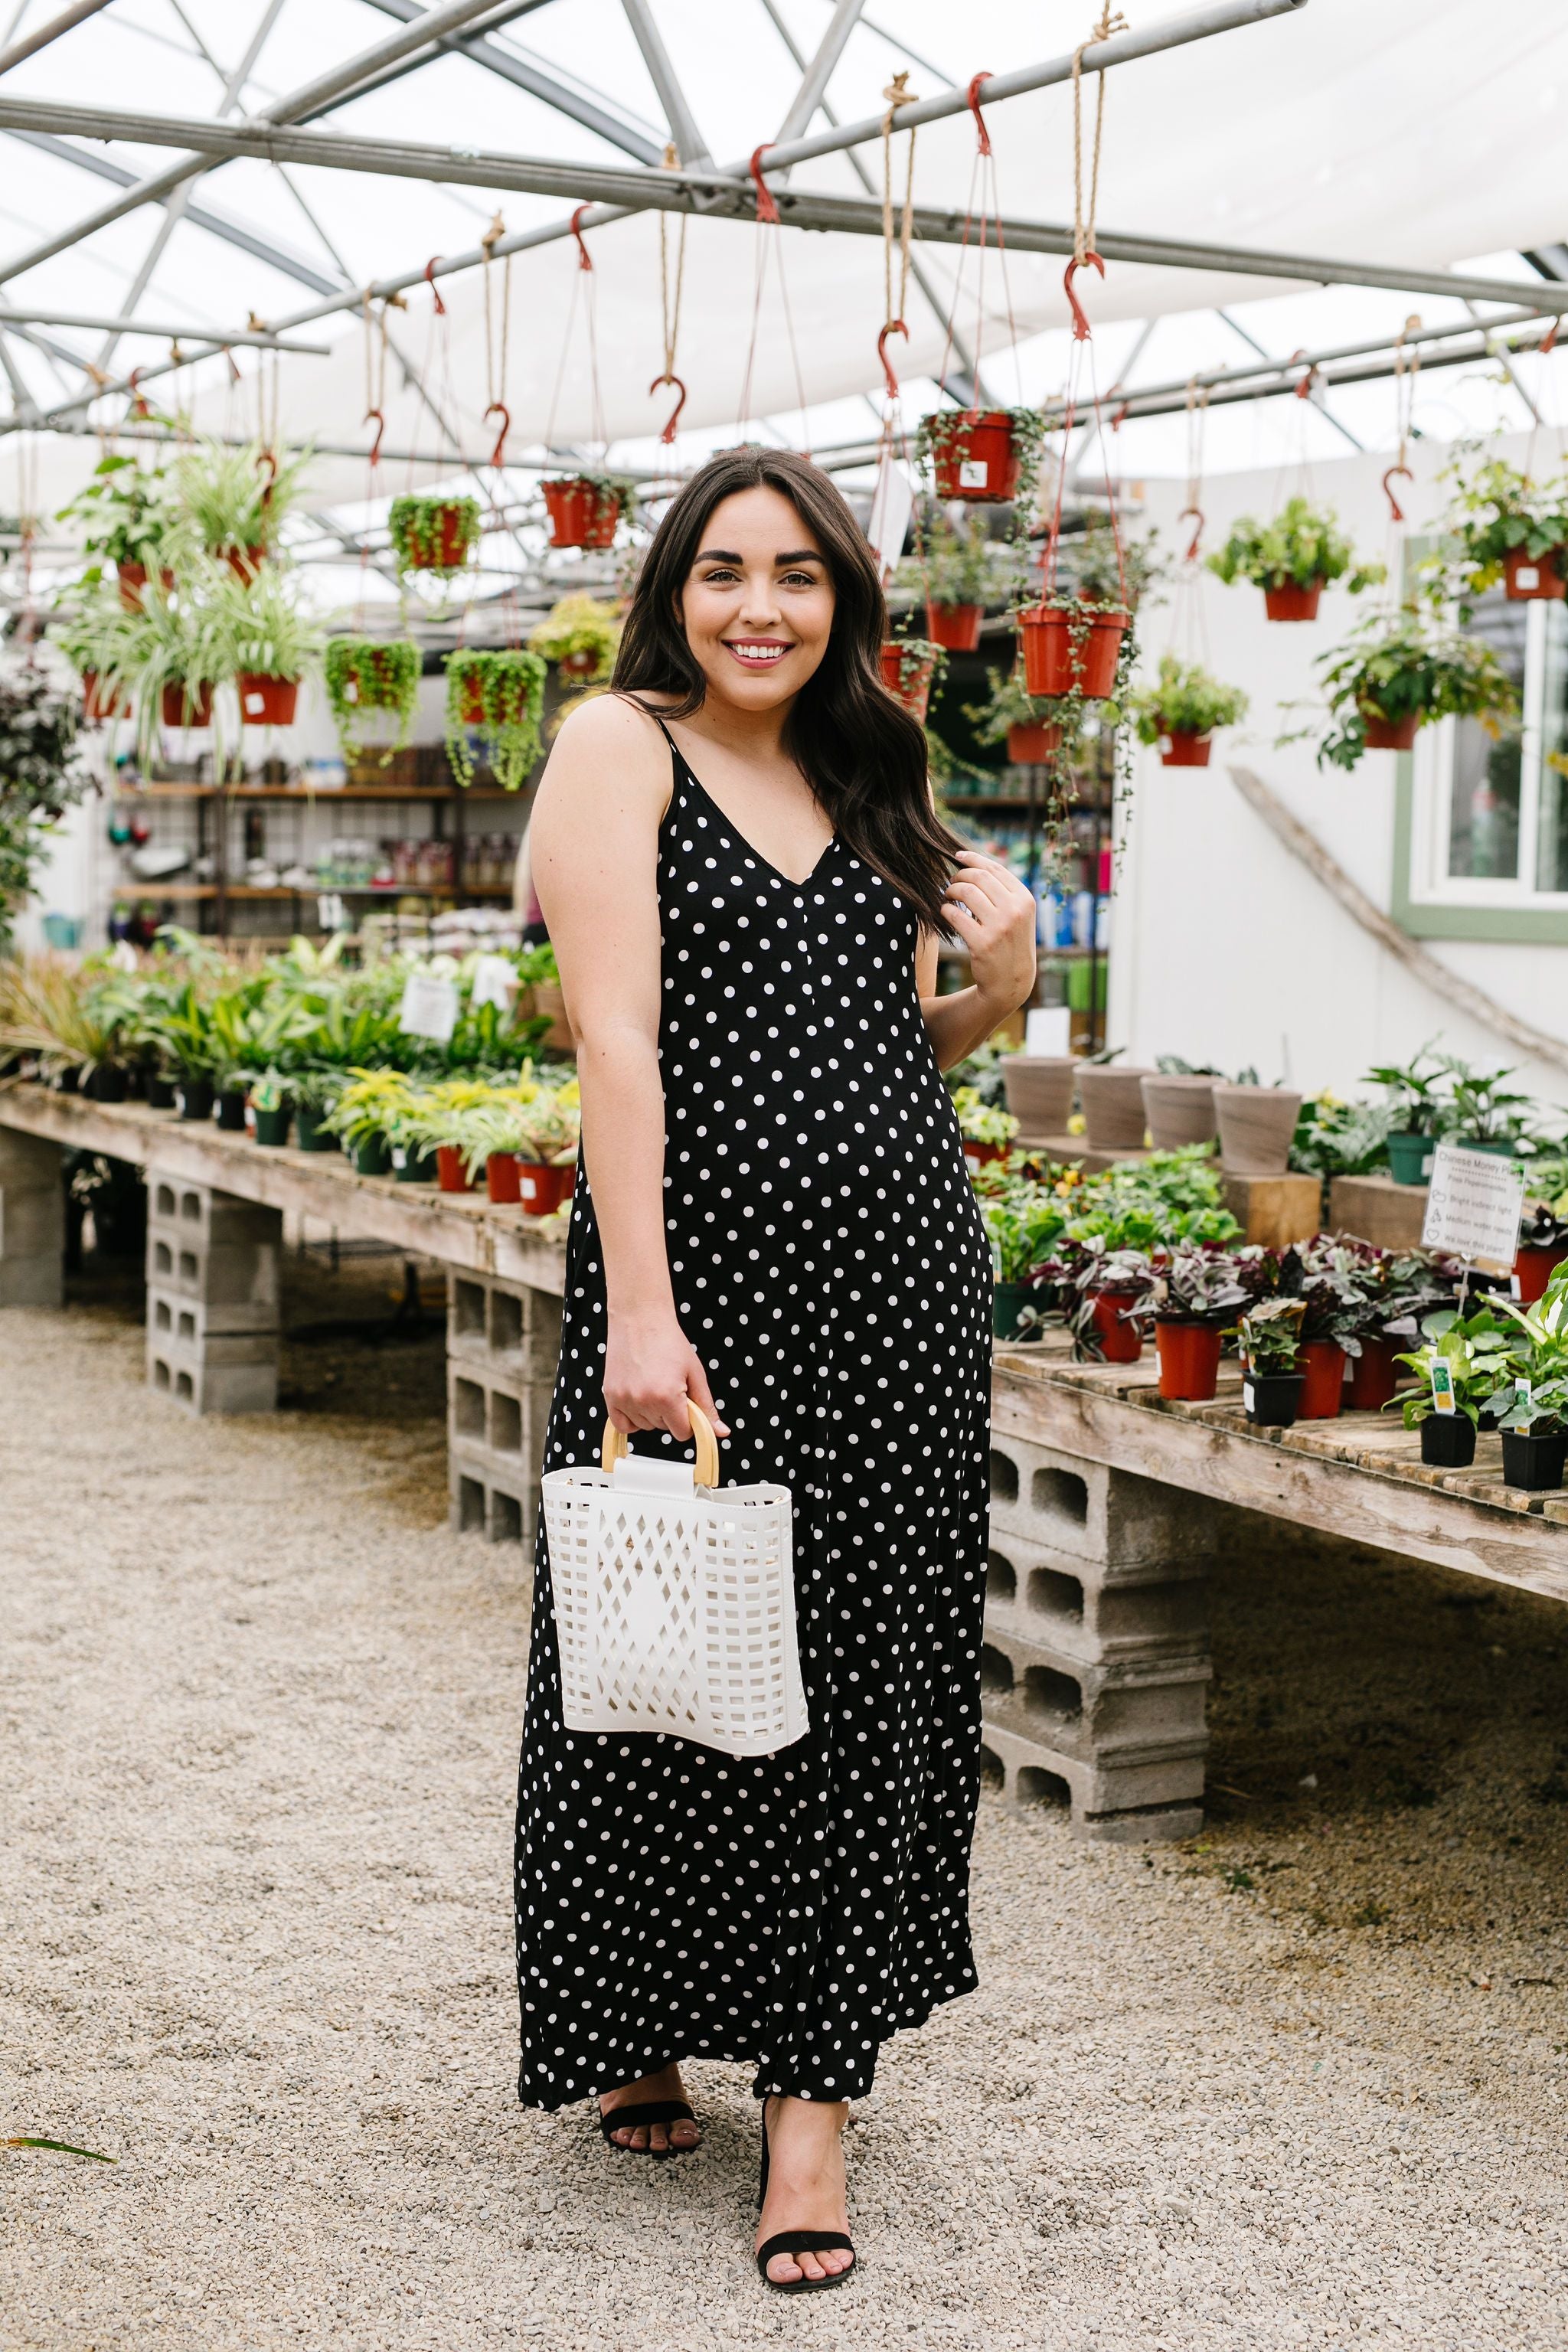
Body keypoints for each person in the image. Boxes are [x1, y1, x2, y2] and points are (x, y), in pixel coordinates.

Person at [514, 445, 1036, 2292]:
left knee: (869, 1666)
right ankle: (637, 2016)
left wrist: (1005, 986)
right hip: (705, 1283)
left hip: (898, 1283)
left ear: (845, 601)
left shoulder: (869, 765)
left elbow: (893, 1038)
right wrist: (641, 1314)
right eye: (726, 570)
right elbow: (618, 1047)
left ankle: (813, 2105)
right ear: (676, 590)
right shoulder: (619, 745)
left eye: (799, 575)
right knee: (664, 1639)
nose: (762, 606)